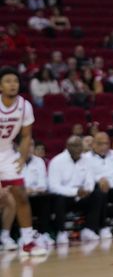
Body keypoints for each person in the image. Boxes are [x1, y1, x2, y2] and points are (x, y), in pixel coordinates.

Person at [0, 67, 48, 255]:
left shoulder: (24, 106)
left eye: (15, 81)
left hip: (7, 152)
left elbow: (26, 135)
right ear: (0, 86)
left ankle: (28, 241)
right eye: (8, 81)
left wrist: (21, 156)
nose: (13, 84)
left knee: (20, 194)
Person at [48, 135, 103, 244]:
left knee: (98, 194)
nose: (78, 149)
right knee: (59, 199)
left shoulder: (87, 160)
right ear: (67, 147)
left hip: (82, 196)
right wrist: (74, 192)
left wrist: (87, 190)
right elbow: (53, 187)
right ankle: (61, 232)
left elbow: (90, 180)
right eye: (74, 146)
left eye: (79, 146)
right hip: (65, 197)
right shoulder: (57, 161)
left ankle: (88, 229)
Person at [21, 140, 51, 242]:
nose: (29, 148)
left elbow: (43, 185)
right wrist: (24, 190)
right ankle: (23, 235)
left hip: (35, 196)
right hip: (20, 196)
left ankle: (44, 233)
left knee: (45, 198)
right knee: (17, 198)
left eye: (31, 145)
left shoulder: (39, 161)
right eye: (27, 145)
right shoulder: (14, 161)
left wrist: (31, 189)